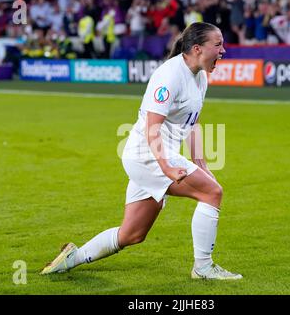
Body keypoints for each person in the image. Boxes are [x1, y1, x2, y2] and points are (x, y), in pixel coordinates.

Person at [40, 22, 242, 280]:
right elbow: (152, 128)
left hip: (153, 156)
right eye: (218, 45)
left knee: (132, 234)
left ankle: (71, 258)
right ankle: (203, 267)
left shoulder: (200, 76)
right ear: (197, 48)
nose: (223, 50)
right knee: (212, 193)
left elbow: (192, 122)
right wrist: (167, 167)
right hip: (148, 154)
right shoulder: (169, 76)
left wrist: (200, 163)